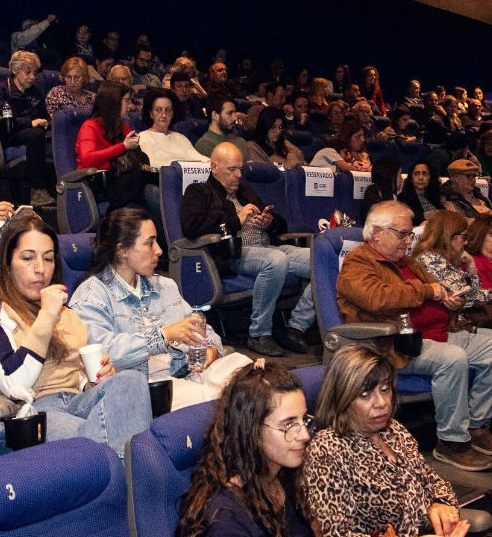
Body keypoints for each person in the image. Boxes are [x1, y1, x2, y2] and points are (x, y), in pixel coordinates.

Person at [335, 201, 492, 471]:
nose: (409, 240)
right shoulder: (358, 263)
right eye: (402, 234)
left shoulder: (406, 262)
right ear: (378, 233)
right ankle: (451, 442)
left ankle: (477, 425)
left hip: (435, 332)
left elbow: (436, 289)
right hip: (392, 345)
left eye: (409, 234)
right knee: (452, 358)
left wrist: (447, 300)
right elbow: (377, 298)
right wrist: (427, 291)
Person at [0, 212, 151, 457]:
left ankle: (118, 470)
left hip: (75, 404)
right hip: (26, 418)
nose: (40, 269)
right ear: (7, 263)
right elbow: (15, 383)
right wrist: (47, 315)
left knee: (131, 381)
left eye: (48, 259)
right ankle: (127, 476)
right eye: (28, 258)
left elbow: (75, 376)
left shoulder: (66, 314)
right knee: (97, 438)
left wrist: (94, 379)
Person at [70, 208, 253, 409]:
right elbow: (105, 355)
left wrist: (209, 350)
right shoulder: (90, 296)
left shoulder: (165, 286)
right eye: (150, 243)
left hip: (189, 370)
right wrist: (163, 336)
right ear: (122, 250)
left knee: (247, 371)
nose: (159, 250)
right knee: (215, 400)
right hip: (144, 388)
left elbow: (201, 329)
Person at [302, 345, 471, 537]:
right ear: (342, 397)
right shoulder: (327, 449)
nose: (381, 403)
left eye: (385, 389)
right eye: (365, 395)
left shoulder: (394, 430)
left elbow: (432, 481)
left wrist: (440, 504)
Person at [181, 142, 316, 357]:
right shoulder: (199, 191)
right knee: (276, 260)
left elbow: (280, 223)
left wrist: (268, 222)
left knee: (322, 260)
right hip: (234, 254)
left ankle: (296, 326)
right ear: (214, 167)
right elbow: (191, 227)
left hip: (268, 246)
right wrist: (237, 219)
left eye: (240, 169)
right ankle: (259, 333)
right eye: (231, 170)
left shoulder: (245, 191)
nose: (238, 175)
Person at [176, 361, 315, 537]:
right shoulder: (225, 524)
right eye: (288, 424)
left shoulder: (284, 477)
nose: (305, 435)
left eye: (304, 419)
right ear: (251, 430)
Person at [77, 81, 162, 213]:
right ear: (113, 102)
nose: (130, 105)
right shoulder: (90, 126)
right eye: (127, 101)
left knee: (153, 189)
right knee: (147, 183)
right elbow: (88, 159)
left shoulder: (122, 127)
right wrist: (123, 146)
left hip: (122, 181)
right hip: (99, 183)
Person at [0, 50, 52, 206]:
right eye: (27, 72)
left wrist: (48, 122)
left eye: (35, 73)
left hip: (32, 134)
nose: (32, 77)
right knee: (35, 134)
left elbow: (44, 116)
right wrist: (29, 123)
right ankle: (37, 189)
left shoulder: (34, 92)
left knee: (42, 135)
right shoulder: (0, 90)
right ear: (15, 70)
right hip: (7, 135)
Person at [413, 211, 492, 309]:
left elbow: (475, 290)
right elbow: (464, 295)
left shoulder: (449, 257)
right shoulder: (429, 259)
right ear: (450, 236)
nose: (466, 242)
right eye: (464, 237)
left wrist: (471, 265)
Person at [138, 88, 210, 168]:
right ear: (151, 114)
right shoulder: (143, 137)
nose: (164, 115)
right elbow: (152, 164)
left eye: (168, 110)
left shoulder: (180, 137)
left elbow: (200, 158)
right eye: (158, 110)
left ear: (172, 114)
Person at [195, 95, 250, 160]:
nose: (235, 118)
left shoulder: (240, 141)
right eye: (230, 113)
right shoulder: (204, 145)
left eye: (235, 113)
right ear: (215, 115)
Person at [397, 160, 444, 226]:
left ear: (430, 177)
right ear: (411, 177)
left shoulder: (439, 197)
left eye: (424, 173)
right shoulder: (402, 198)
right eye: (416, 174)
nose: (421, 178)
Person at [359, 157, 402, 224]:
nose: (401, 179)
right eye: (399, 175)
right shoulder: (372, 201)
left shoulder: (394, 196)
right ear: (390, 179)